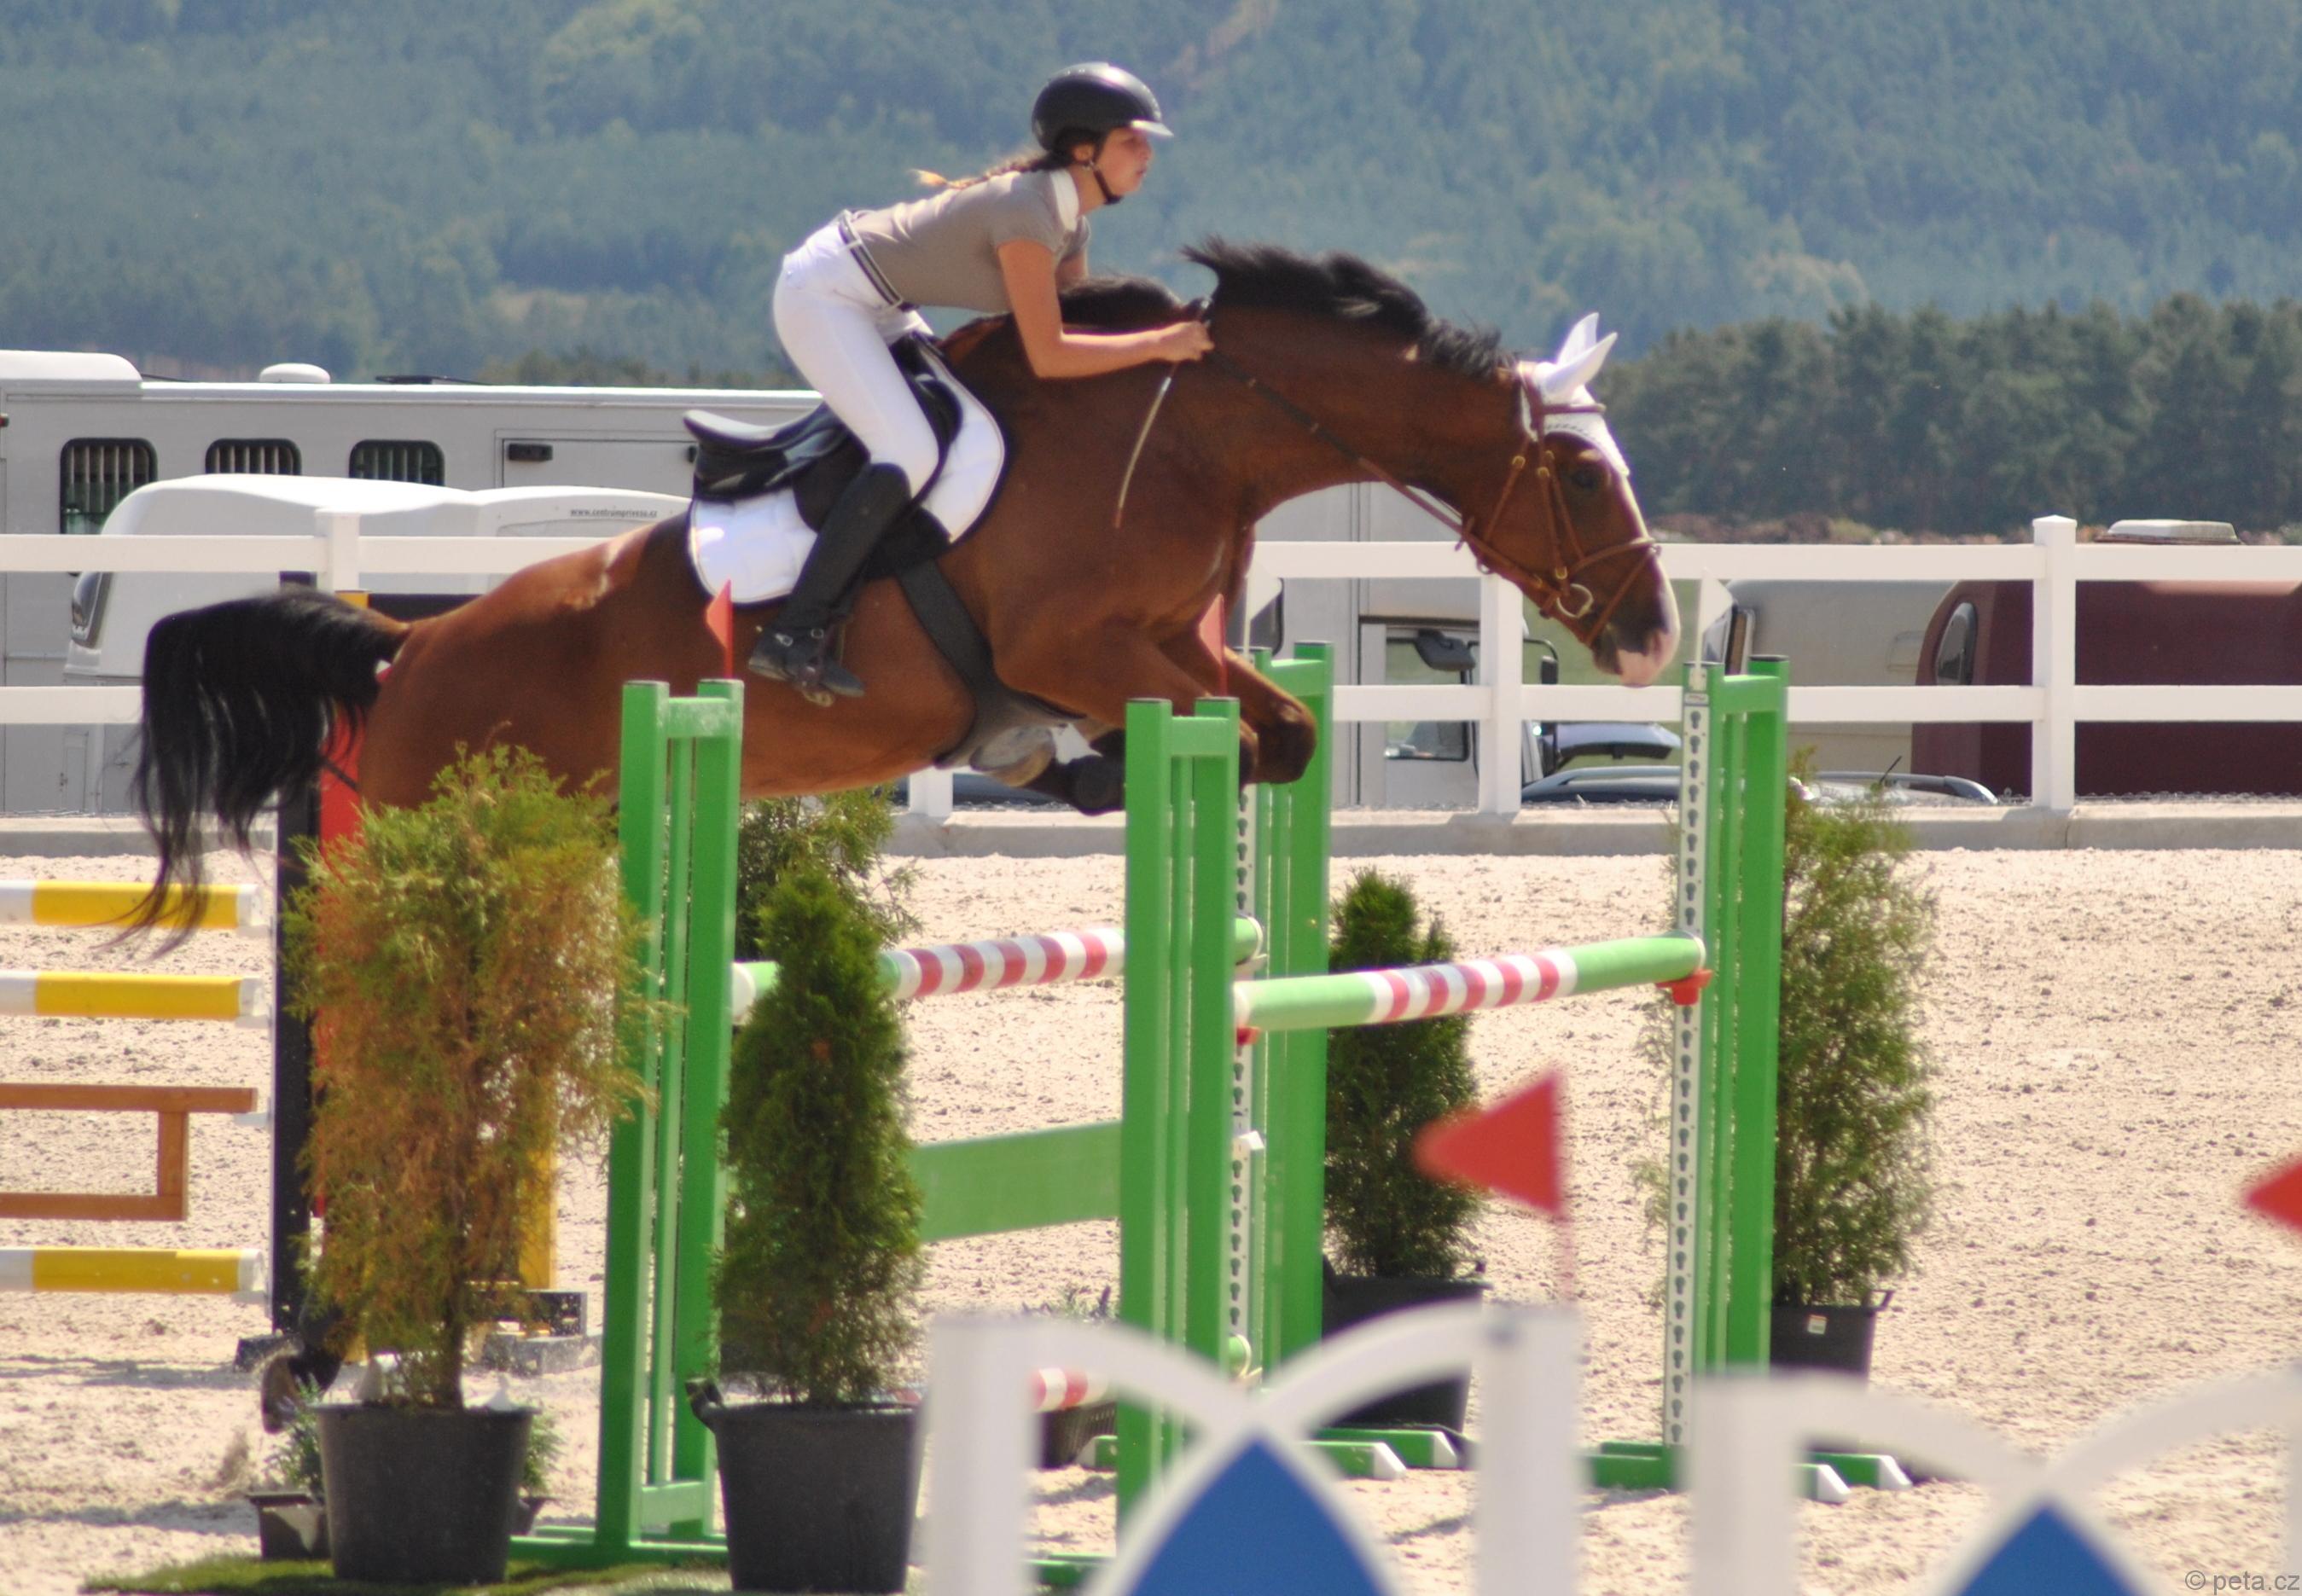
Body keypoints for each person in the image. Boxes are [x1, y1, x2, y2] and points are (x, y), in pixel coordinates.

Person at [750, 61, 1214, 699]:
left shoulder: (1069, 223)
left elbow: (1075, 334)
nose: (1147, 154)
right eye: (1132, 140)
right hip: (824, 295)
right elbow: (1049, 355)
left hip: (878, 301)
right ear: (1085, 151)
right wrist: (1162, 344)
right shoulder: (1028, 215)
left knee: (960, 427)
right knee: (911, 449)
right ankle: (793, 631)